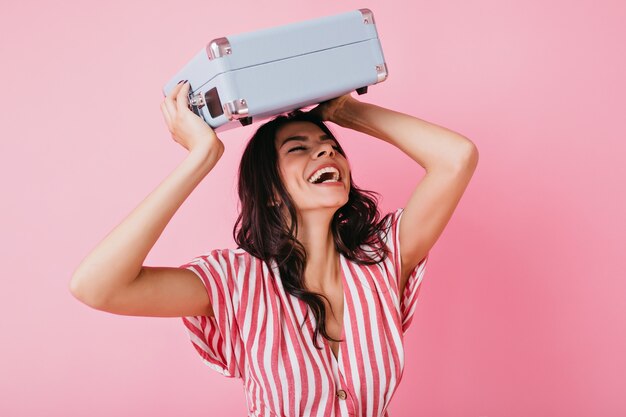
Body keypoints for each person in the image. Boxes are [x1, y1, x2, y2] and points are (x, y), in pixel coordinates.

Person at [70, 80, 478, 416]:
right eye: (298, 148)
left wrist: (343, 111)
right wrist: (201, 156)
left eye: (331, 146)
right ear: (269, 193)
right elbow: (96, 286)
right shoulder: (234, 281)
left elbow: (457, 158)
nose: (327, 150)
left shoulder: (383, 259)